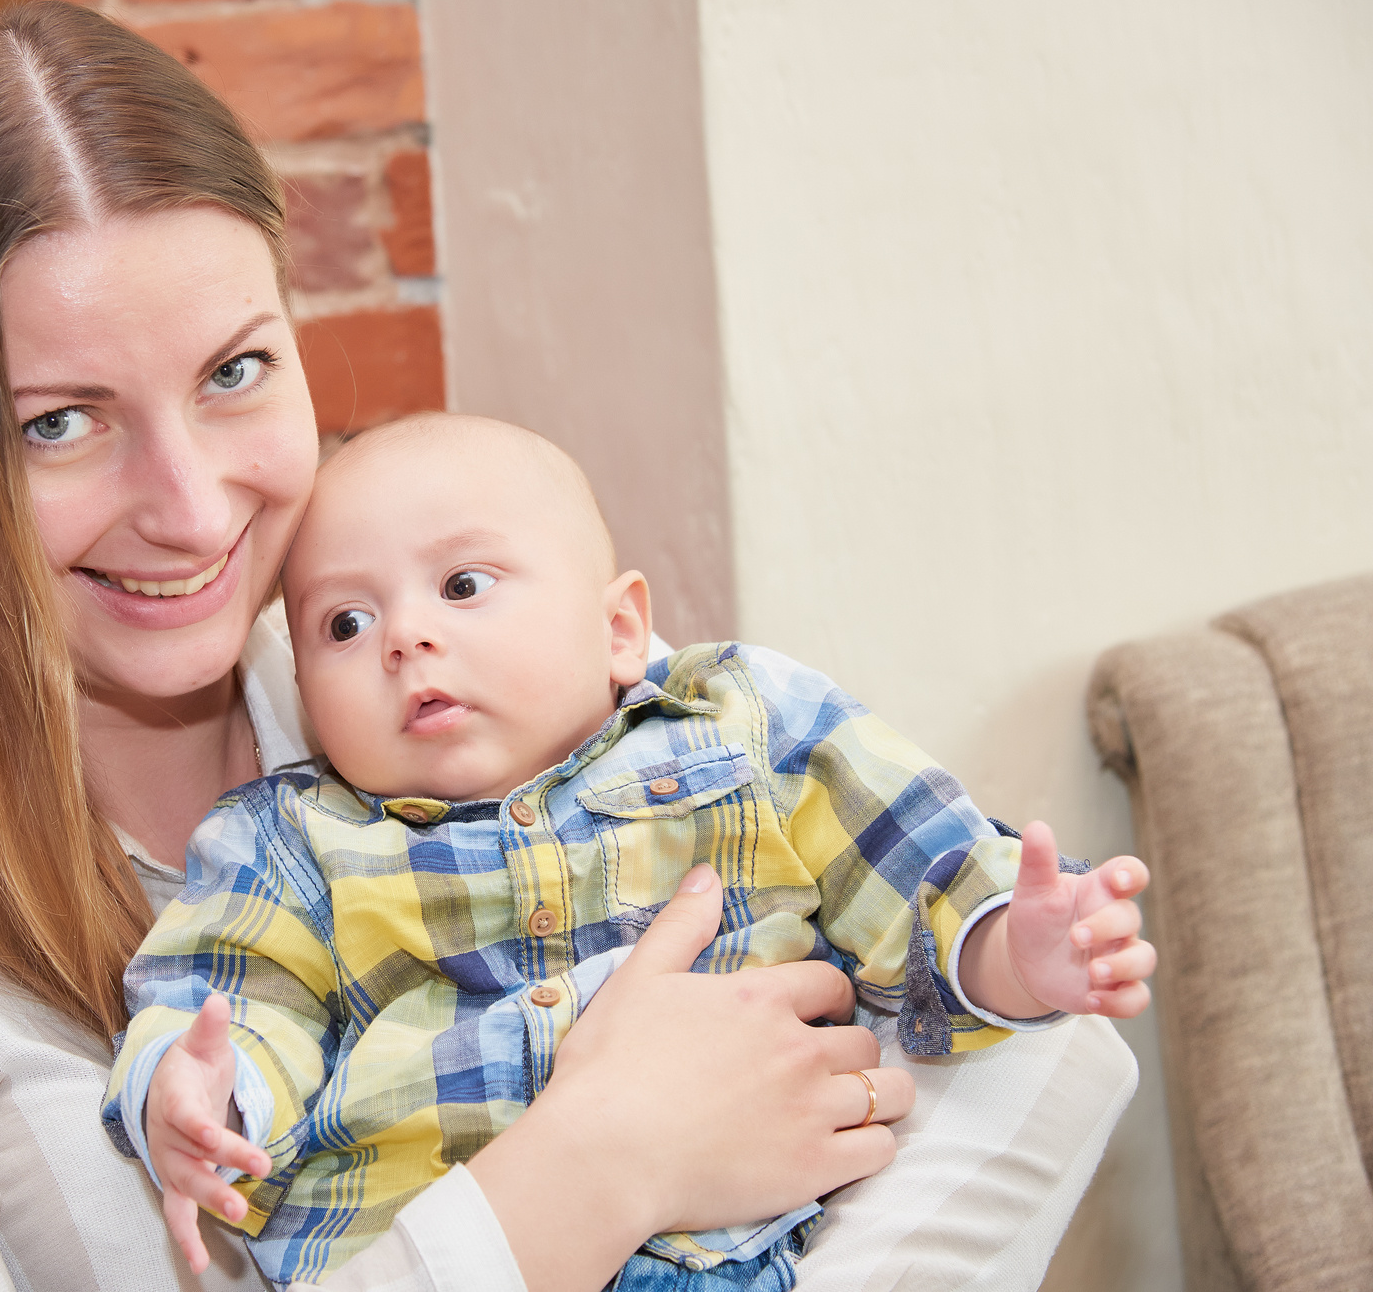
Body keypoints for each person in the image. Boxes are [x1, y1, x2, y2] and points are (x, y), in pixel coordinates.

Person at [0, 0, 1138, 1292]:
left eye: (235, 370)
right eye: (60, 420)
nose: (190, 506)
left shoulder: (445, 684)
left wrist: (970, 976)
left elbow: (1003, 1019)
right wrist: (598, 1161)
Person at [105, 416, 1155, 1290]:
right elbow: (231, 993)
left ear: (618, 629)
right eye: (342, 622)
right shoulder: (290, 843)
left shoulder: (739, 726)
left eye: (461, 586)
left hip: (725, 1256)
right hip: (446, 1250)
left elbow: (916, 878)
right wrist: (204, 1091)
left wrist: (1014, 949)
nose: (403, 638)